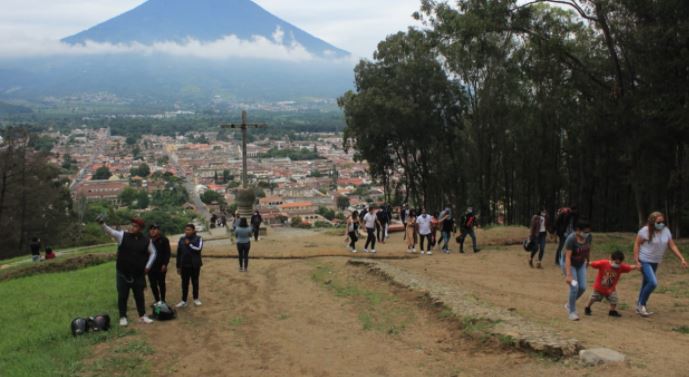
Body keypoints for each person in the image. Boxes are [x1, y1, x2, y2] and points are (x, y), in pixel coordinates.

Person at [99, 217, 157, 326]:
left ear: (140, 228)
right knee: (122, 295)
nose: (132, 227)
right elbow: (110, 231)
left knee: (139, 295)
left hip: (138, 274)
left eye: (135, 226)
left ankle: (142, 316)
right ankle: (123, 317)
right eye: (131, 225)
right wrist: (102, 224)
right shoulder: (122, 236)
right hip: (122, 273)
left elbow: (153, 253)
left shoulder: (146, 241)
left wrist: (148, 266)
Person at [633, 211, 688, 317]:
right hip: (645, 260)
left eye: (663, 222)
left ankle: (639, 305)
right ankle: (642, 305)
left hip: (655, 261)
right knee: (652, 283)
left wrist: (682, 258)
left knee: (646, 283)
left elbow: (672, 245)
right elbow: (637, 244)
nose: (661, 224)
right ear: (652, 222)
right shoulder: (644, 231)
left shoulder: (666, 231)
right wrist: (637, 261)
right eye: (659, 222)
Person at [584, 250, 637, 318]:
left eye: (619, 263)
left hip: (610, 289)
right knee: (594, 298)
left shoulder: (621, 267)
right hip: (599, 288)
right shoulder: (603, 263)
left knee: (614, 299)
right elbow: (594, 263)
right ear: (611, 259)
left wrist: (636, 267)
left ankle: (612, 311)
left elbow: (629, 267)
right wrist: (588, 263)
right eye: (615, 262)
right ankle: (587, 308)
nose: (617, 264)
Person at [563, 220, 592, 321]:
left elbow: (588, 248)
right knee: (575, 286)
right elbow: (567, 257)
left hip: (580, 264)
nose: (586, 233)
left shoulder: (588, 237)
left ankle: (569, 304)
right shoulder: (571, 239)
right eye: (585, 231)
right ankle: (572, 312)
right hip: (570, 264)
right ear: (578, 230)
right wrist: (568, 274)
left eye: (588, 231)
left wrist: (588, 260)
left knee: (583, 287)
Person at [176, 224, 204, 308]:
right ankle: (184, 300)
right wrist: (178, 266)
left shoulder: (198, 238)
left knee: (195, 282)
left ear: (193, 230)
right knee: (184, 283)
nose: (187, 231)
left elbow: (199, 248)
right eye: (186, 230)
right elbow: (179, 253)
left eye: (189, 230)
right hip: (184, 265)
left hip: (194, 265)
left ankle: (196, 298)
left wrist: (189, 244)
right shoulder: (181, 239)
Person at [148, 224, 171, 304]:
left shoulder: (164, 240)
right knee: (153, 284)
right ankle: (157, 300)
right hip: (150, 267)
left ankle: (163, 300)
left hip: (161, 266)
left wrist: (165, 264)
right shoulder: (147, 240)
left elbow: (167, 253)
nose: (153, 230)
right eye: (151, 229)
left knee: (161, 283)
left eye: (155, 229)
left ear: (158, 230)